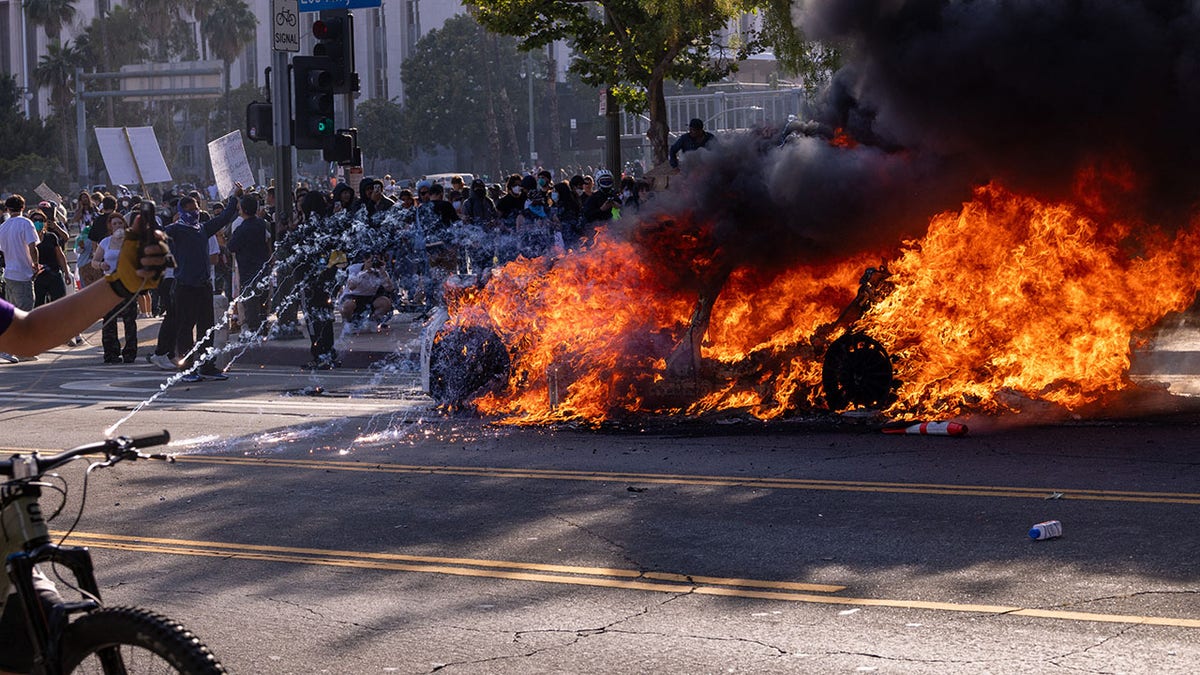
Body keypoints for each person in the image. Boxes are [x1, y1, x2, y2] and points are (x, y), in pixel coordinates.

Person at [166, 193, 238, 381]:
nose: (194, 213)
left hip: (203, 286)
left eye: (196, 209)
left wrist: (234, 199)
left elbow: (223, 219)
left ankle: (206, 366)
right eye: (190, 210)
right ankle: (186, 368)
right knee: (185, 329)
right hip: (184, 286)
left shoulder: (203, 229)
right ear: (181, 212)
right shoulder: (175, 230)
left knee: (206, 329)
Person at [91, 212, 139, 363]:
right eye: (115, 224)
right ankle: (111, 352)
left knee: (129, 320)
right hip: (110, 285)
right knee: (109, 319)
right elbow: (94, 261)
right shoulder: (105, 242)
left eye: (120, 223)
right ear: (110, 227)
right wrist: (101, 265)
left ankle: (130, 352)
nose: (118, 226)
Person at [226, 195, 272, 334]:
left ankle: (254, 330)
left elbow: (231, 247)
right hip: (262, 267)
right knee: (262, 299)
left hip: (247, 270)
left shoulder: (241, 228)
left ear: (243, 209)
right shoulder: (261, 224)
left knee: (251, 302)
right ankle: (263, 326)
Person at [0, 195, 40, 313]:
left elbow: (4, 250)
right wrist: (36, 264)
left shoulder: (3, 227)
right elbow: (32, 247)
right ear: (23, 207)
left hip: (9, 275)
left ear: (8, 209)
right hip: (23, 275)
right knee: (25, 313)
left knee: (14, 314)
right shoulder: (26, 223)